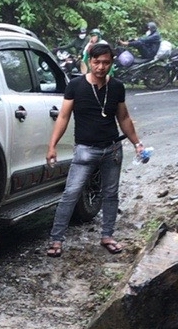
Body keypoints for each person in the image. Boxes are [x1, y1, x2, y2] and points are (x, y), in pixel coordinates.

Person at [46, 42, 144, 258]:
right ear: (89, 61)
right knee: (71, 193)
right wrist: (52, 145)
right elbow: (63, 117)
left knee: (110, 194)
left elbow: (124, 118)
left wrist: (137, 143)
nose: (101, 67)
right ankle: (56, 239)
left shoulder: (117, 87)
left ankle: (107, 235)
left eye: (106, 62)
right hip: (84, 150)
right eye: (96, 62)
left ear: (111, 63)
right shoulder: (76, 85)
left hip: (112, 149)